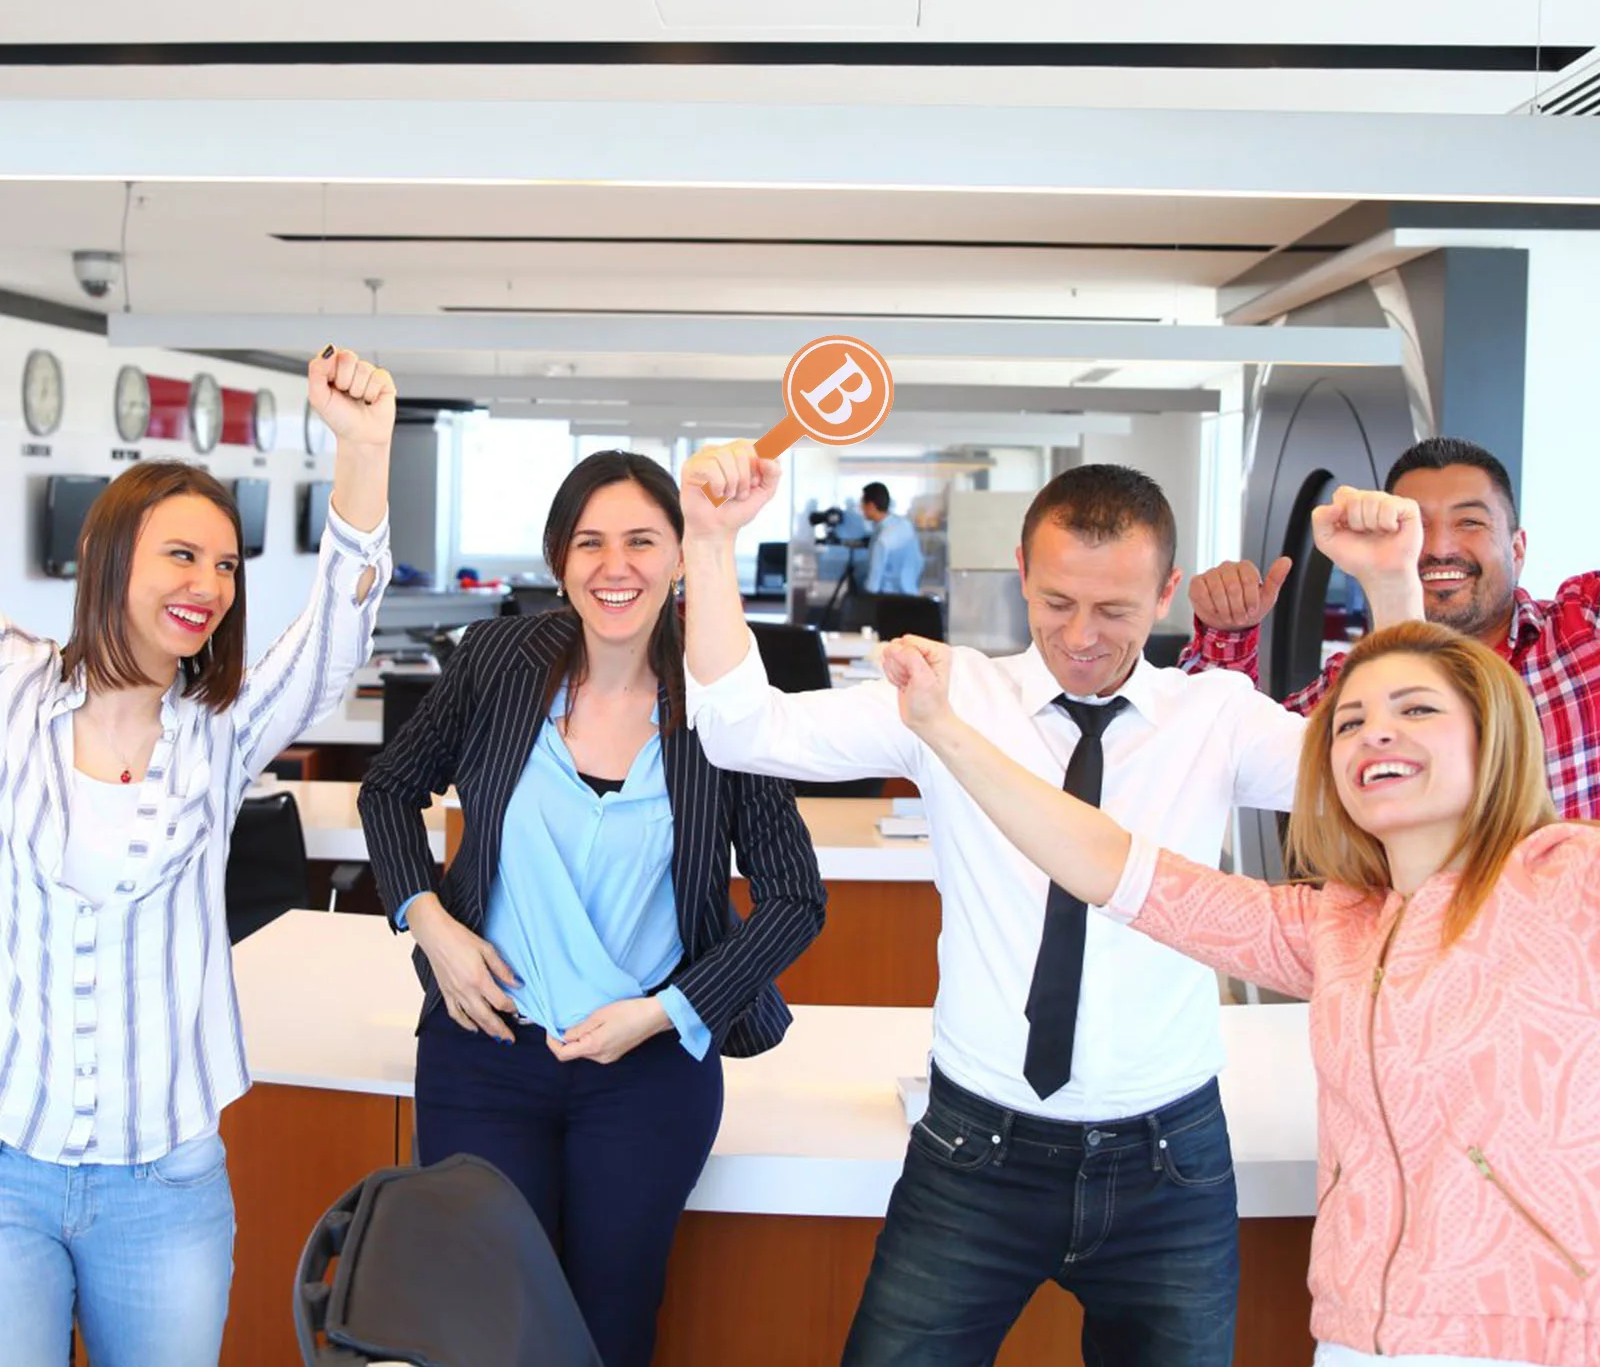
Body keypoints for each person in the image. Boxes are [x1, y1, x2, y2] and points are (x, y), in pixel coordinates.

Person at [681, 443, 1306, 1367]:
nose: (1083, 635)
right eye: (1056, 602)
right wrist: (709, 538)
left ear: (1167, 591)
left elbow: (1406, 781)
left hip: (1169, 1160)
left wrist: (1390, 588)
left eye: (1116, 610)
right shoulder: (949, 691)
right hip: (976, 1150)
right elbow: (741, 730)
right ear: (1021, 573)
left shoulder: (1217, 715)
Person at [883, 607, 1600, 1367]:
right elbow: (1109, 864)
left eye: (1417, 709)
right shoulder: (1334, 929)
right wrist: (942, 726)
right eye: (1348, 723)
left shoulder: (1570, 881)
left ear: (1496, 737)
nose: (1374, 734)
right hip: (1364, 1338)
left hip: (1544, 1336)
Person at [358, 450, 826, 1367]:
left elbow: (794, 899)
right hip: (484, 1049)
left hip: (648, 1071)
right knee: (485, 1326)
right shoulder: (498, 659)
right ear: (559, 559)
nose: (617, 567)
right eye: (591, 543)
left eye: (644, 541)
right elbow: (388, 790)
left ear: (683, 555)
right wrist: (434, 925)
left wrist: (667, 1011)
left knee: (609, 1327)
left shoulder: (722, 689)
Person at [0, 348, 395, 1367]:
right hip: (8, 1171)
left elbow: (331, 641)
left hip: (165, 1187)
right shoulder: (13, 694)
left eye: (225, 566)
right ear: (109, 553)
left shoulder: (219, 732)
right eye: (182, 556)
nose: (209, 586)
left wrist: (363, 449)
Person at [1181, 437, 1600, 818]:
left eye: (1470, 523)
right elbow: (1217, 757)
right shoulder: (1353, 690)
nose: (1438, 548)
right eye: (1415, 526)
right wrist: (1227, 633)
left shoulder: (1581, 629)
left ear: (1517, 548)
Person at [860, 481, 924, 595]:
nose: (860, 508)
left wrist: (864, 599)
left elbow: (874, 580)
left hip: (888, 600)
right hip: (911, 594)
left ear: (871, 506)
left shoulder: (882, 540)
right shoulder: (905, 525)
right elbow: (918, 561)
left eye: (862, 504)